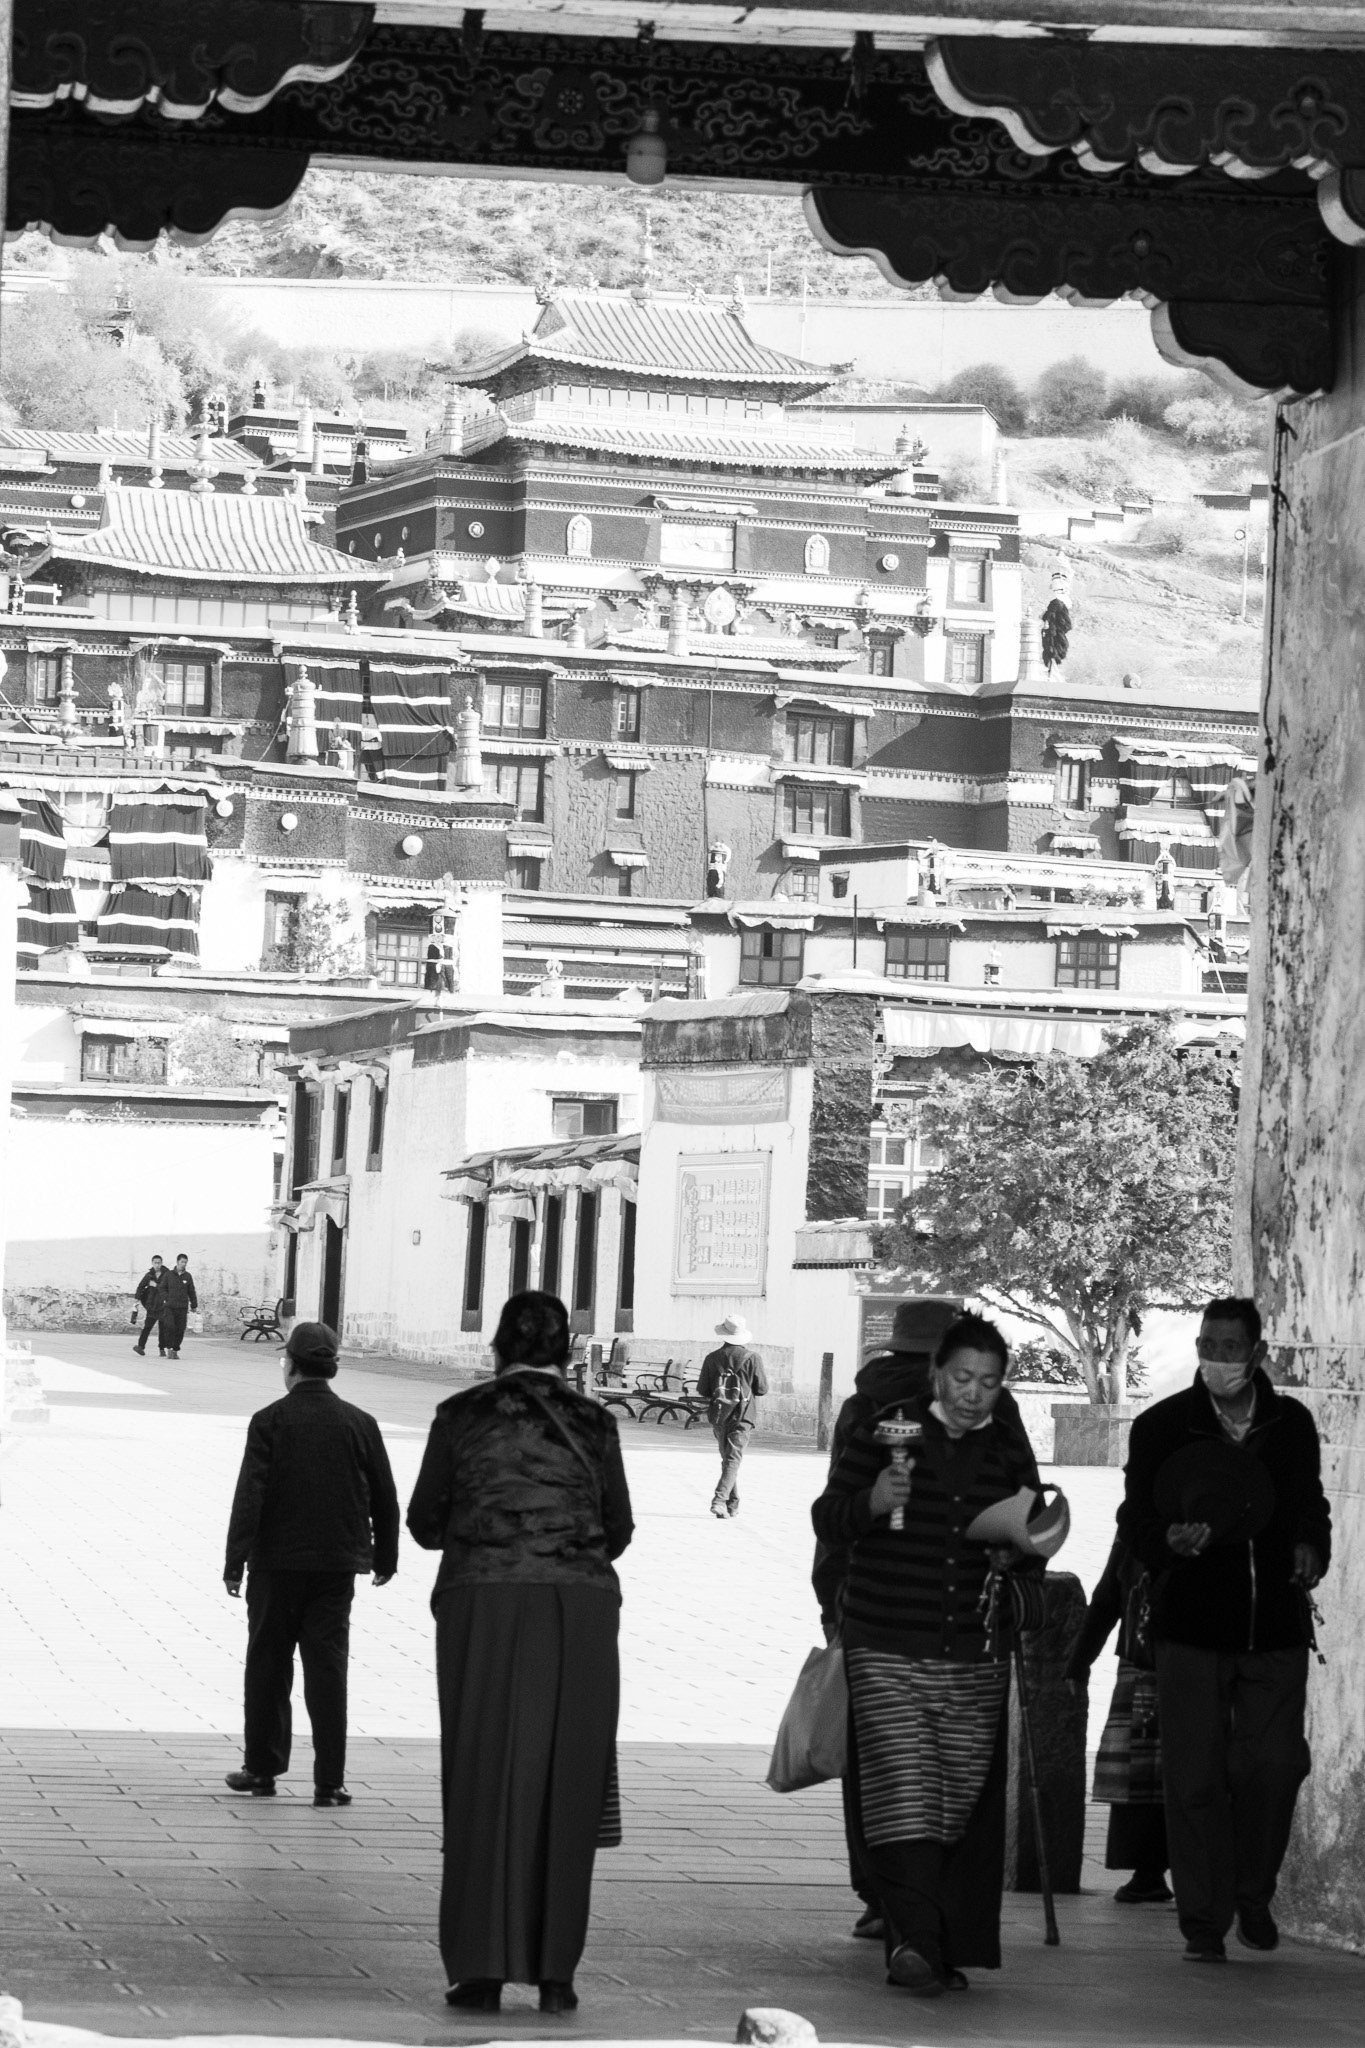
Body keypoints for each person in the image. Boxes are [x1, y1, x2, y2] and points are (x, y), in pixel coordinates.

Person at [406, 1290, 634, 2015]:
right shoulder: (595, 1422)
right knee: (566, 1784)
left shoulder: (459, 1416)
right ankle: (555, 1973)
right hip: (581, 1609)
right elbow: (618, 1526)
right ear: (567, 1351)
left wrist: (492, 1526)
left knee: (481, 1775)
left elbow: (425, 1522)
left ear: (496, 1349)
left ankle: (478, 1968)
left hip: (485, 1601)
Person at [810, 1312, 1043, 1997]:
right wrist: (873, 1500)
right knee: (900, 1790)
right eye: (963, 1377)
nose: (974, 1393)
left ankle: (944, 1943)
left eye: (989, 1382)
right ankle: (910, 1938)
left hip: (970, 1645)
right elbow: (829, 1517)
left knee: (957, 1799)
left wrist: (1020, 1543)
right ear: (937, 1371)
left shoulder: (1004, 1436)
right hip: (885, 1637)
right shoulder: (887, 1425)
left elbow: (1032, 1517)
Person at [1118, 1296, 1331, 1963]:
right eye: (1206, 1345)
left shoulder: (1290, 1425)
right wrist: (1167, 1543)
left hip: (1273, 1624)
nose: (1215, 1358)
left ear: (1258, 1353)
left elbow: (1309, 1506)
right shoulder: (1160, 1428)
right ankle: (1203, 1922)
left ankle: (1252, 1892)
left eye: (1229, 1347)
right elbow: (1135, 1520)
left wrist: (1308, 1547)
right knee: (1194, 1776)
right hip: (1190, 1624)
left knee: (1272, 1764)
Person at [222, 1320, 399, 1807]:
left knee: (268, 1666)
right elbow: (385, 1496)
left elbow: (250, 1496)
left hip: (276, 1566)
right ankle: (329, 1782)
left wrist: (235, 1561)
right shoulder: (360, 1423)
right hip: (335, 1568)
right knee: (327, 1669)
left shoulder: (269, 1421)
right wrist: (385, 1556)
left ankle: (261, 1769)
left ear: (292, 1367)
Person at [1066, 1536, 1171, 1904]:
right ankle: (1149, 1872)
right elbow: (1109, 1596)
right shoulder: (1136, 1529)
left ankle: (1151, 1872)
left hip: (1171, 1661)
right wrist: (1079, 1663)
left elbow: (1109, 1595)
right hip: (1145, 1657)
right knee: (1144, 1771)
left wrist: (1079, 1665)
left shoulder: (1139, 1529)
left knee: (1154, 1770)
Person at [695, 1315, 767, 1520]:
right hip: (744, 1415)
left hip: (719, 1414)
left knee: (728, 1459)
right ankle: (720, 1500)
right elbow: (761, 1389)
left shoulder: (712, 1358)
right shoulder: (752, 1358)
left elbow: (703, 1389)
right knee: (732, 1459)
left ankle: (732, 1505)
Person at [157, 1253, 198, 1360]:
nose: (184, 1264)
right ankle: (169, 1348)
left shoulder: (187, 1276)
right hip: (170, 1307)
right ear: (177, 1262)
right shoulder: (169, 1275)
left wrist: (194, 1305)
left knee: (180, 1329)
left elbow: (191, 1291)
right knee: (170, 1327)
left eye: (185, 1262)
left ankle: (175, 1349)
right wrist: (167, 1298)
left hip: (182, 1307)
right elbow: (161, 1288)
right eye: (182, 1262)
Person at [131, 1254, 165, 1356]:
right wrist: (136, 1299)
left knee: (163, 1329)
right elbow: (141, 1286)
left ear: (161, 1263)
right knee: (147, 1327)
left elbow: (168, 1288)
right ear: (152, 1263)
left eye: (159, 1263)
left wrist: (156, 1285)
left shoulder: (167, 1275)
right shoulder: (149, 1275)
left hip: (163, 1306)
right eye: (155, 1263)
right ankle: (140, 1347)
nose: (157, 1265)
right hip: (152, 1307)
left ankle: (162, 1350)